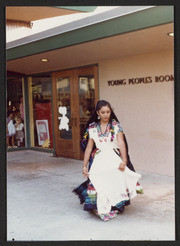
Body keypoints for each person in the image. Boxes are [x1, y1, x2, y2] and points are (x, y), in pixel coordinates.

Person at [73, 100, 142, 221]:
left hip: (113, 158)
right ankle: (100, 207)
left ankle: (114, 206)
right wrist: (84, 166)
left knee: (115, 181)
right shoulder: (93, 128)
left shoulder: (115, 126)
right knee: (98, 182)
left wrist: (124, 161)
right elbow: (89, 148)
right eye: (103, 112)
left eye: (108, 112)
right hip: (99, 160)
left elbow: (121, 143)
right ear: (98, 113)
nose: (106, 114)